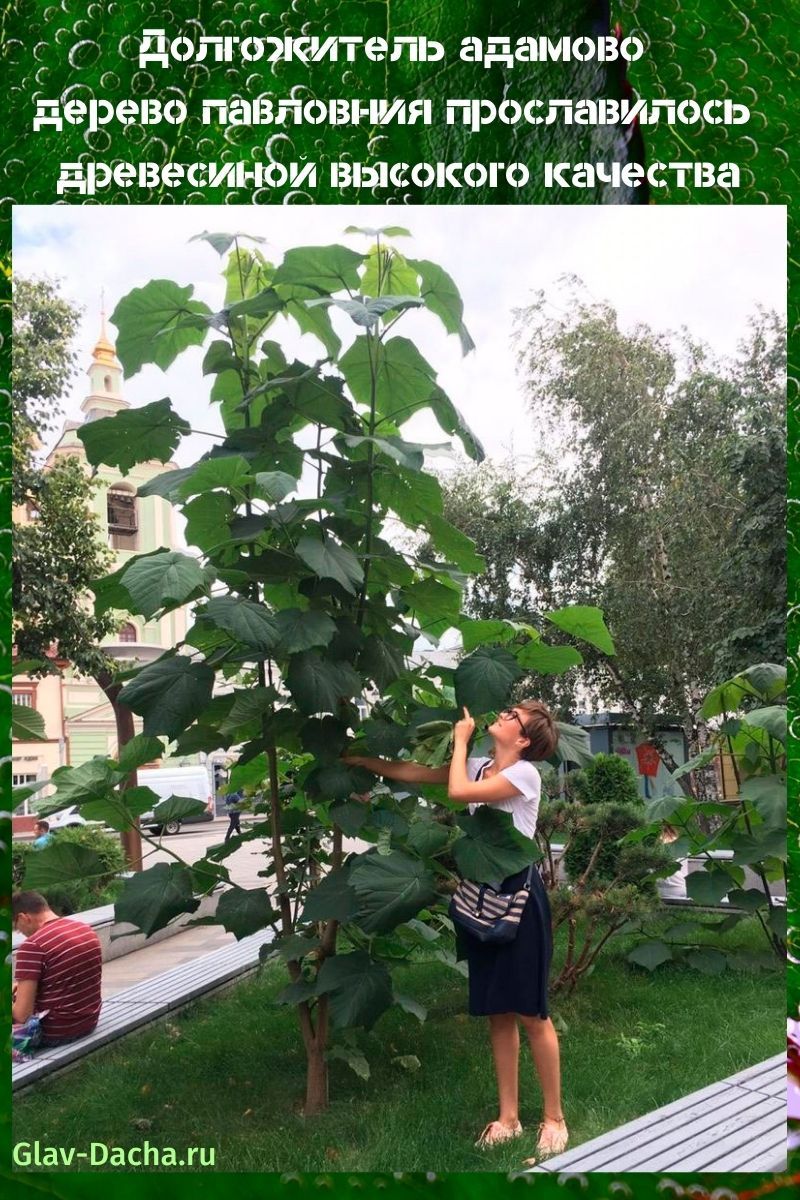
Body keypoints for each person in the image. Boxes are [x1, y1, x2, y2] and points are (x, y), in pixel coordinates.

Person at [343, 699, 568, 1161]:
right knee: (498, 1012)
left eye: (512, 719)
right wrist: (368, 763)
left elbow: (459, 792)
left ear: (524, 740)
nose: (502, 717)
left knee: (531, 1012)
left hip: (519, 902)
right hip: (481, 898)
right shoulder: (481, 765)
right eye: (505, 712)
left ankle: (554, 1119)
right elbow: (422, 775)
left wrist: (461, 737)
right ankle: (508, 1118)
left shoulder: (525, 774)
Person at [12, 891, 102, 1045]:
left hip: (55, 1031)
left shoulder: (33, 945)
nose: (21, 933)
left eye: (17, 927)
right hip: (89, 1021)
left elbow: (22, 1016)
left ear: (23, 917)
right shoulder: (84, 929)